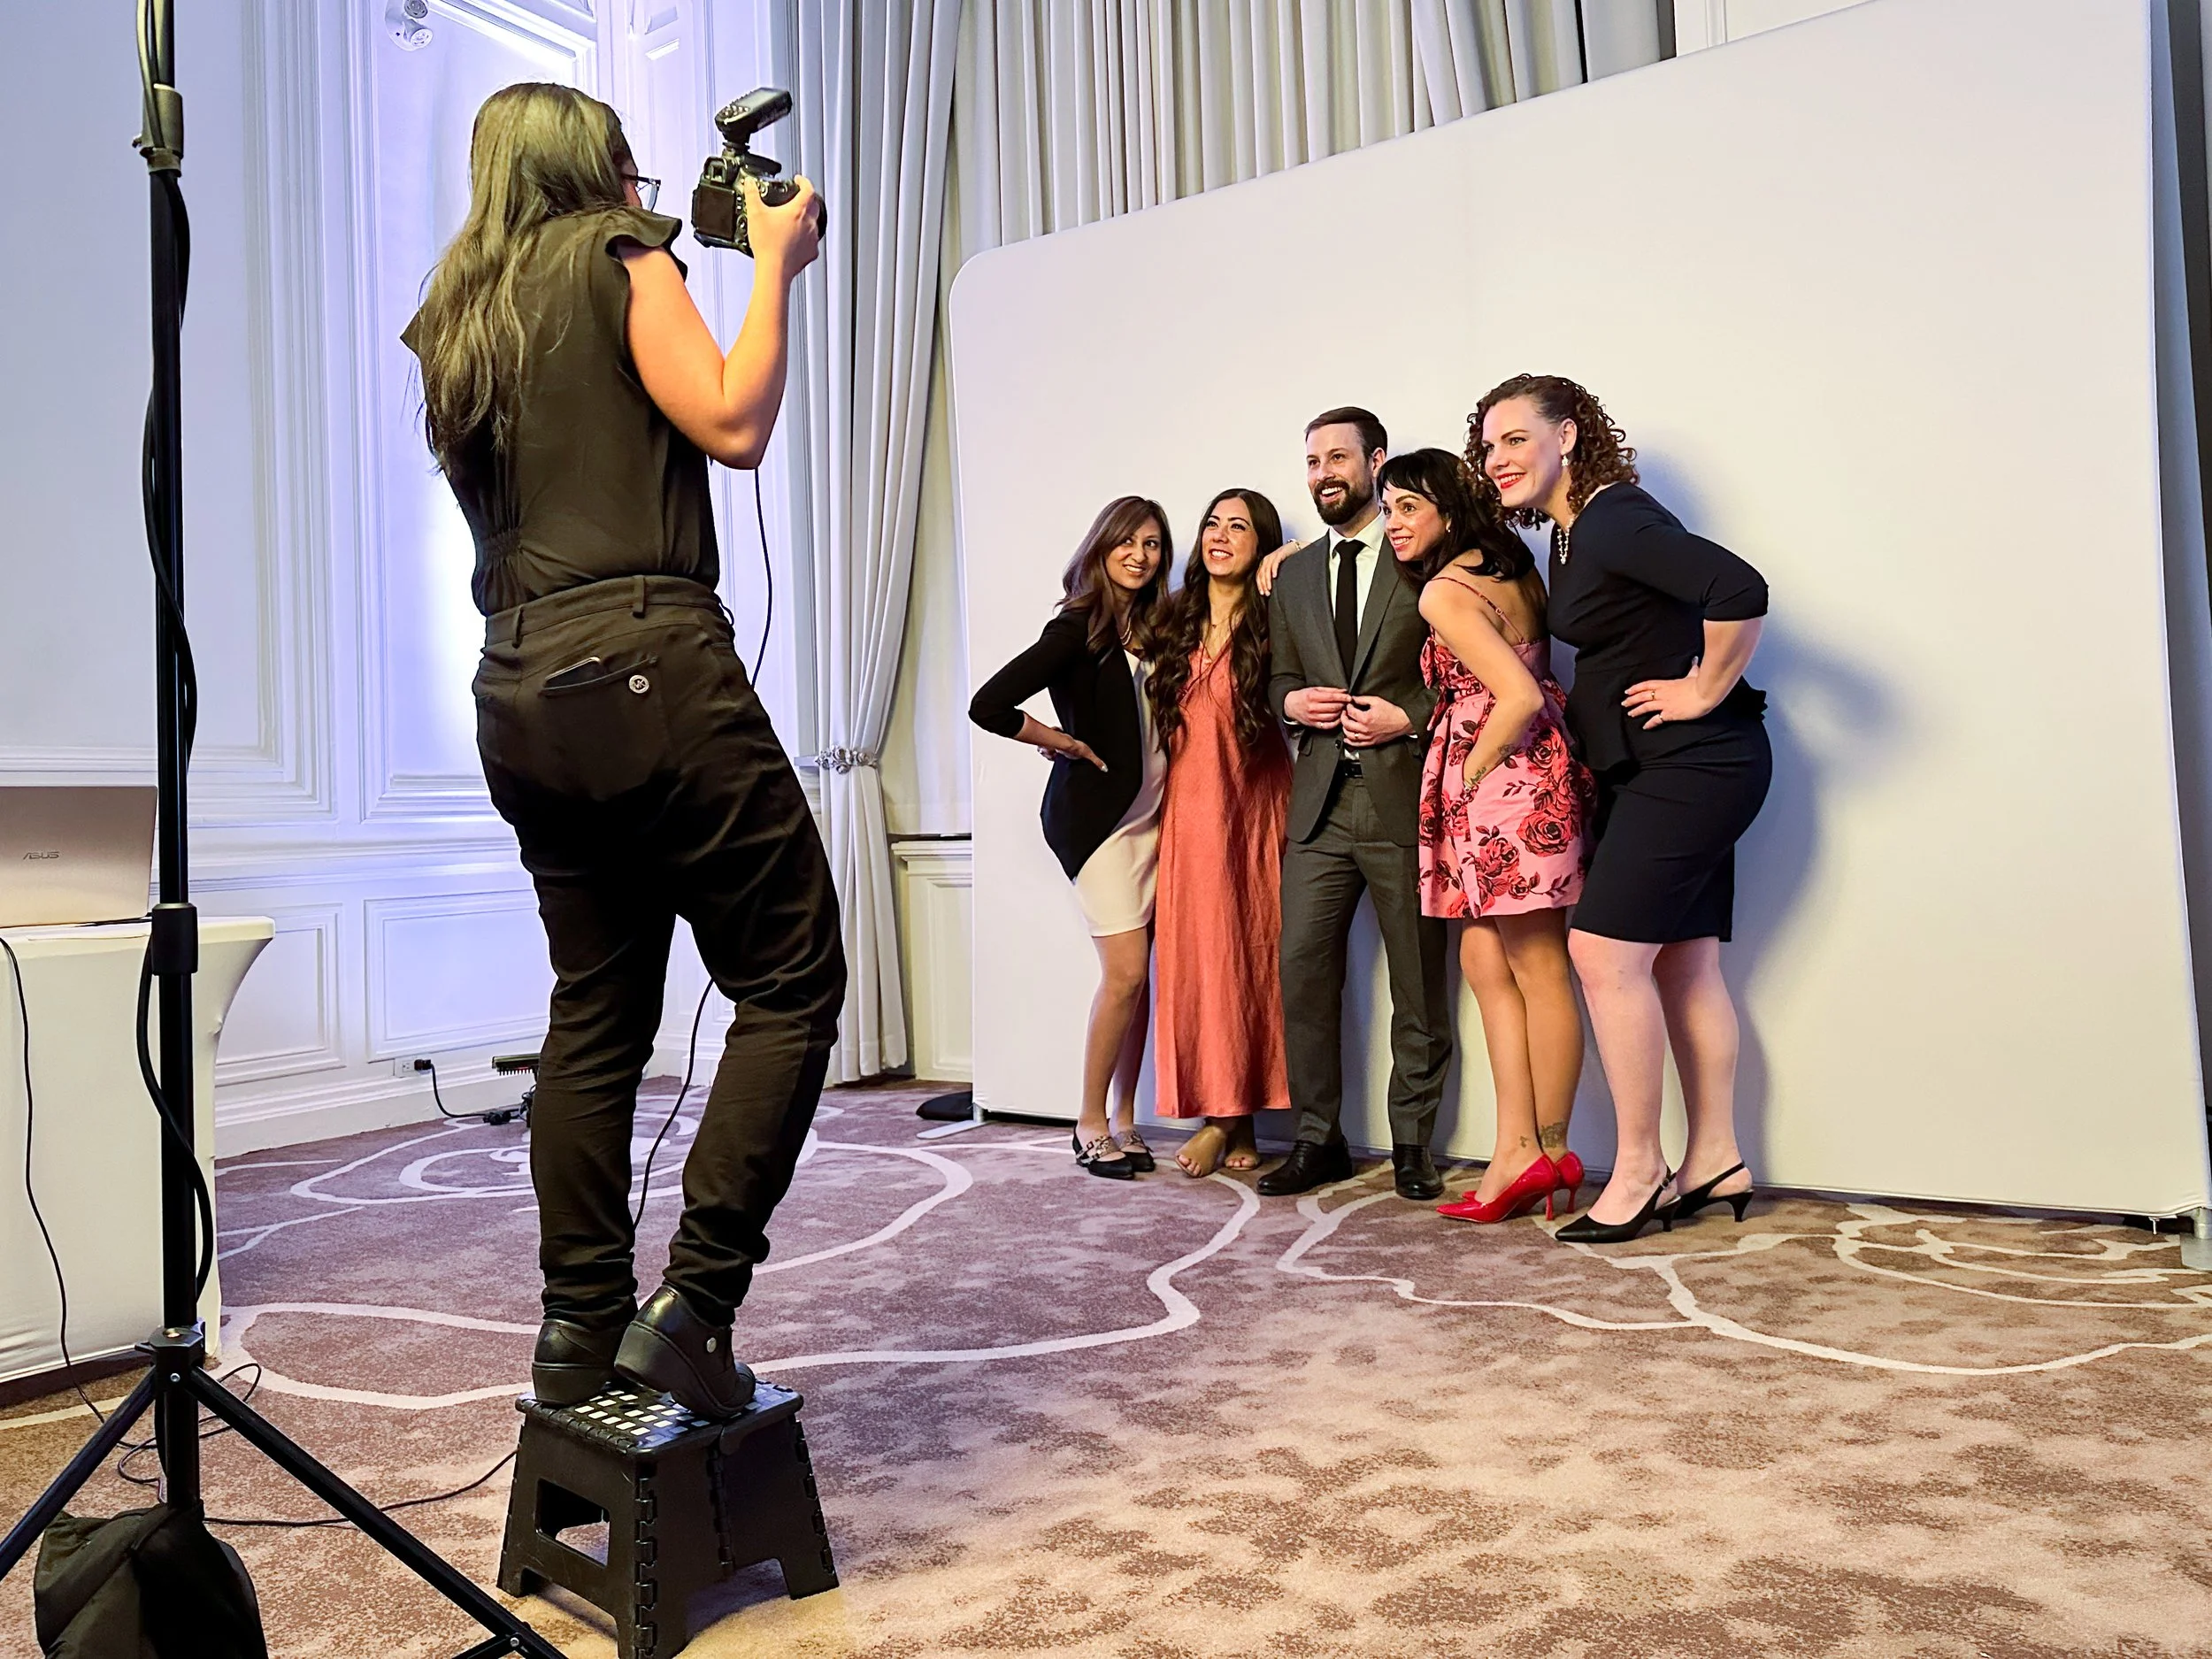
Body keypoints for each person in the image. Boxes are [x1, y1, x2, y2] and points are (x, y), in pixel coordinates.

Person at [403, 84, 839, 1419]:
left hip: (517, 690)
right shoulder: (621, 251)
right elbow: (732, 421)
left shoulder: (451, 315)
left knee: (595, 1014)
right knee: (792, 973)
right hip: (646, 659)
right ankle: (694, 1308)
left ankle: (579, 1328)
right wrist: (774, 265)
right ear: (597, 165)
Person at [1469, 374, 1770, 1243]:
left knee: (1600, 952)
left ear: (1566, 435)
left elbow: (1738, 585)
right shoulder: (1575, 531)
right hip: (1666, 769)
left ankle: (1637, 1167)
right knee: (1683, 965)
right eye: (1487, 448)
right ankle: (1715, 1159)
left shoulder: (1611, 518)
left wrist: (1702, 688)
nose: (1497, 460)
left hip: (1693, 765)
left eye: (1515, 439)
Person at [1376, 449, 1594, 1225]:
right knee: (1482, 957)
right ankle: (1513, 1148)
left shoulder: (1446, 590)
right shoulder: (1509, 565)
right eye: (1387, 508)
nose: (1392, 522)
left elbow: (1518, 694)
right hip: (1524, 772)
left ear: (1449, 508)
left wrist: (1470, 774)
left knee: (1538, 964)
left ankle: (1551, 1147)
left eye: (1408, 506)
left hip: (1503, 783)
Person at [1261, 408, 1454, 1201]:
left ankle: (1412, 1143)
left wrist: (1408, 717)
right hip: (1317, 808)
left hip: (1401, 797)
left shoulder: (1424, 557)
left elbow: (1471, 669)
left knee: (1419, 979)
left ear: (1376, 461)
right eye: (1312, 461)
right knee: (1302, 974)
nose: (1323, 474)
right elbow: (1277, 676)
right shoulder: (1293, 574)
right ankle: (1319, 1138)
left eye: (1337, 457)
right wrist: (1291, 701)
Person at [969, 497, 1172, 1179]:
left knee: (1139, 979)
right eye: (1127, 542)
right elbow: (988, 704)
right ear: (1101, 547)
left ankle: (1125, 1116)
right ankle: (1088, 1123)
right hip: (1099, 822)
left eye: (1152, 544)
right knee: (1126, 973)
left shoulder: (1154, 624)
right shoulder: (1077, 625)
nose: (1139, 555)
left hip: (1156, 816)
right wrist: (1058, 740)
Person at [1145, 488, 1295, 1178]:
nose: (1221, 535)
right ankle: (1226, 1117)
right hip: (1189, 815)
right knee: (1204, 963)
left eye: (1239, 527)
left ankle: (1233, 1118)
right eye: (1212, 522)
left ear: (1261, 546)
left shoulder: (1275, 616)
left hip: (1255, 810)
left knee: (1253, 958)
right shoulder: (1170, 619)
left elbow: (1334, 565)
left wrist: (1291, 557)